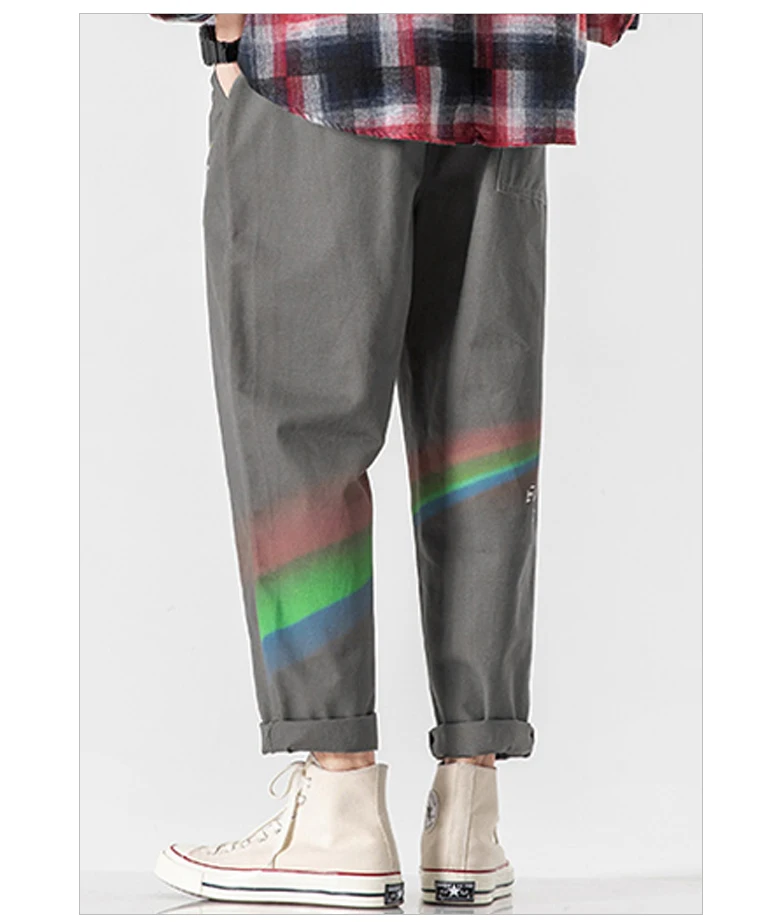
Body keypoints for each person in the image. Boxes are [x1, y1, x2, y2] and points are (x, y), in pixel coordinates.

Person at [150, 13, 639, 909]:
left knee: (298, 428)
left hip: (321, 51)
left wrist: (224, 31)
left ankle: (337, 809)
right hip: (506, 58)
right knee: (482, 437)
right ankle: (469, 816)